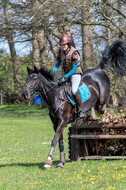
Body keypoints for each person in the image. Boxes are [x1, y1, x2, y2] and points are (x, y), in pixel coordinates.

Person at [52, 34, 86, 118]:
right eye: (61, 45)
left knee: (74, 90)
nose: (62, 46)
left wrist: (65, 76)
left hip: (75, 74)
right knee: (58, 86)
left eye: (64, 44)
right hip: (66, 73)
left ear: (69, 44)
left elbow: (74, 69)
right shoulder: (61, 52)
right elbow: (57, 64)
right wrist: (53, 71)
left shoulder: (74, 53)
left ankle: (81, 109)